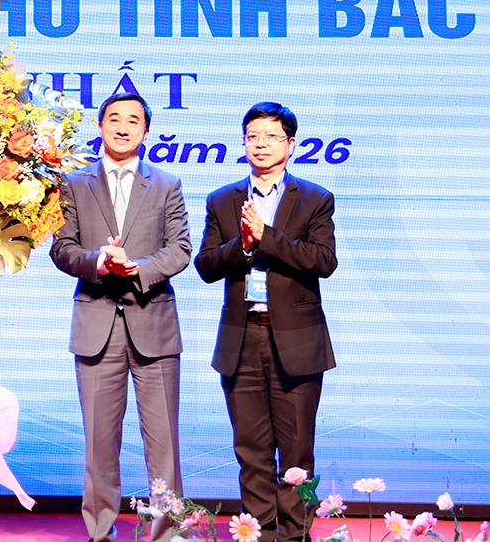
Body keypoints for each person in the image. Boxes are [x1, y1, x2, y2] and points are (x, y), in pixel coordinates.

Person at [50, 93, 191, 542]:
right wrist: (98, 261)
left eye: (133, 120)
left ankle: (167, 531)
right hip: (96, 325)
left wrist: (138, 268)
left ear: (146, 131)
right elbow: (62, 248)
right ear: (100, 126)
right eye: (114, 119)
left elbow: (180, 249)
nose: (123, 127)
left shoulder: (167, 184)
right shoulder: (74, 184)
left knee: (164, 441)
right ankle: (100, 530)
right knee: (99, 440)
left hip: (154, 324)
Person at [195, 102, 337, 542]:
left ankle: (294, 536)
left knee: (296, 452)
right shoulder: (222, 200)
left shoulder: (314, 199)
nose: (261, 144)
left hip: (296, 340)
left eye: (272, 137)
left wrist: (266, 238)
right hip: (242, 338)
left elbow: (323, 261)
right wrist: (243, 244)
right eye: (252, 136)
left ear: (290, 145)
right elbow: (206, 265)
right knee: (251, 450)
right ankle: (255, 533)